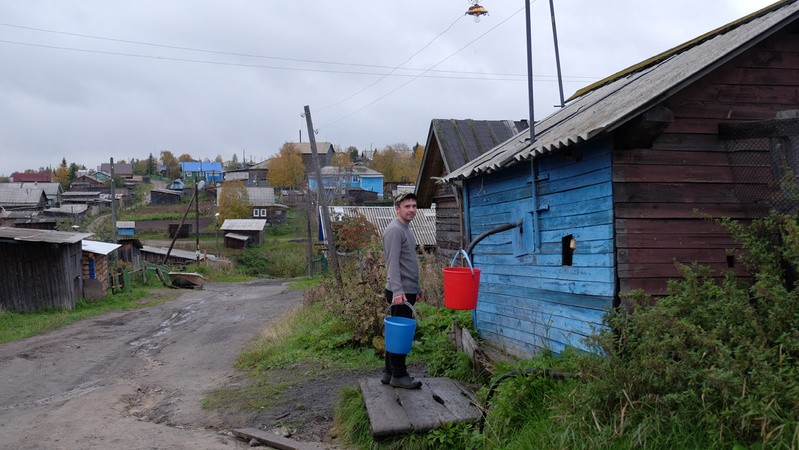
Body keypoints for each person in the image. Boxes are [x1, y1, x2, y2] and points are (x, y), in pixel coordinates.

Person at [381, 192, 423, 389]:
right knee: (400, 335)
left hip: (407, 289)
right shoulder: (394, 230)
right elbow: (393, 264)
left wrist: (417, 288)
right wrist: (398, 291)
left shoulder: (406, 228)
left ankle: (389, 372)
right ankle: (399, 375)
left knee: (395, 334)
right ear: (397, 208)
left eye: (414, 206)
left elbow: (409, 263)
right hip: (400, 292)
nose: (412, 210)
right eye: (407, 206)